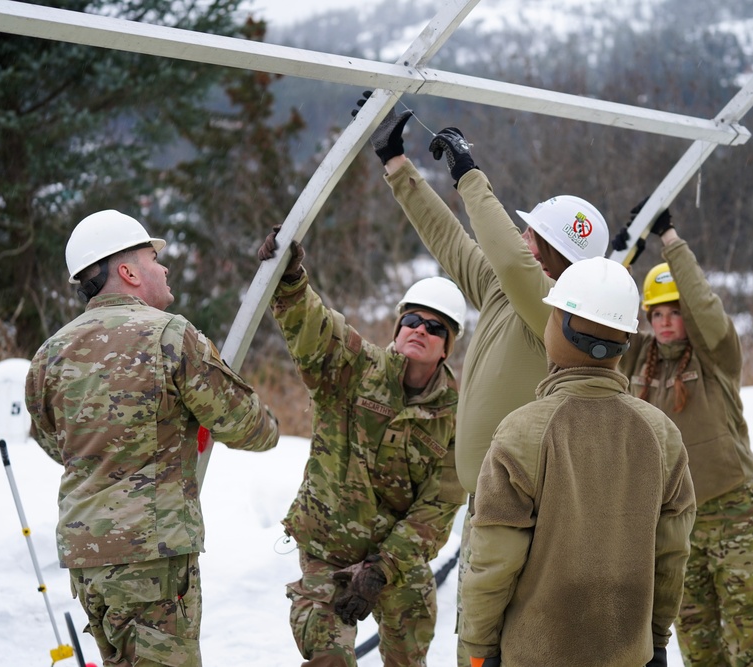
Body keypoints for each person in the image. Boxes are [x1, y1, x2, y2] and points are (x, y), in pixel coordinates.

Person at [357, 95, 609, 666]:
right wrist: (397, 166)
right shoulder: (507, 291)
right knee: (479, 641)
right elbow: (453, 243)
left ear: (553, 255)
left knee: (518, 643)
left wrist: (470, 176)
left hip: (531, 511)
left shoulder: (555, 309)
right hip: (487, 506)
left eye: (532, 236)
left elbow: (507, 257)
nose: (521, 239)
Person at [25, 209, 280, 667]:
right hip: (152, 558)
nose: (164, 268)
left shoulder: (49, 354)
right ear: (127, 272)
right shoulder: (170, 336)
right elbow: (248, 426)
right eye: (153, 258)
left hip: (87, 559)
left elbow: (56, 444)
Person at [459, 257, 696, 667]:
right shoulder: (661, 434)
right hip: (627, 654)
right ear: (625, 340)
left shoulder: (522, 431)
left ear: (563, 328)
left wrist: (479, 652)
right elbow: (671, 553)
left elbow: (493, 560)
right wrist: (656, 642)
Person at [257, 226, 468, 667]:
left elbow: (437, 509)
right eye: (411, 320)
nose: (419, 330)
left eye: (434, 327)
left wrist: (381, 569)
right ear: (398, 327)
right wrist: (290, 277)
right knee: (329, 655)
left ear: (447, 347)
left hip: (394, 561)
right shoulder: (354, 365)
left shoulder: (455, 416)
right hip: (326, 546)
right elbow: (313, 327)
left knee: (409, 653)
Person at [614, 207, 753, 666]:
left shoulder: (715, 356)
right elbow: (602, 313)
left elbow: (707, 307)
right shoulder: (635, 361)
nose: (666, 321)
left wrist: (670, 239)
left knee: (752, 635)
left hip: (734, 512)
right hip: (673, 524)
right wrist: (624, 256)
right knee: (697, 641)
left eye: (676, 312)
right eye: (657, 313)